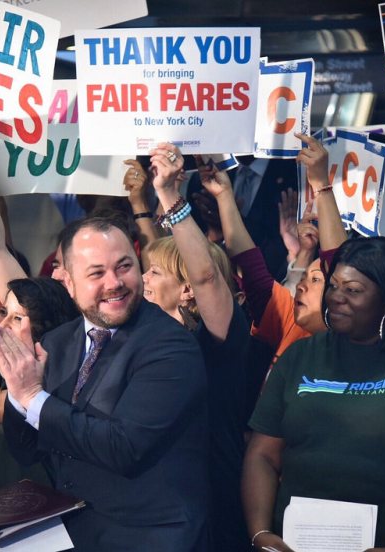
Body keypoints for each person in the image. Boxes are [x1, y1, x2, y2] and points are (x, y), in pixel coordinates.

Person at [0, 215, 209, 551]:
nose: (115, 282)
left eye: (124, 266)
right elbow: (26, 449)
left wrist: (33, 397)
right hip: (73, 528)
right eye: (96, 273)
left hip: (146, 536)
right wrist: (17, 390)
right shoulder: (55, 342)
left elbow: (123, 448)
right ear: (69, 283)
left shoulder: (170, 346)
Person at [243, 237, 385, 551]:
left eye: (353, 290)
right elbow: (262, 454)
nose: (336, 298)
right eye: (333, 286)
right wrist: (260, 533)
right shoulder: (301, 355)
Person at [144, 142, 251, 551]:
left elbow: (207, 277)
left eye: (155, 271)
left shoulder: (218, 339)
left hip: (208, 509)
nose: (143, 280)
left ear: (186, 289)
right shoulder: (134, 338)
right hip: (150, 508)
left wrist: (170, 195)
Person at [204, 134, 347, 370]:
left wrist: (321, 186)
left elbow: (340, 265)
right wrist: (224, 195)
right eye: (304, 278)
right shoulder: (288, 323)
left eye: (315, 280)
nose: (301, 286)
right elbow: (251, 265)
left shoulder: (349, 345)